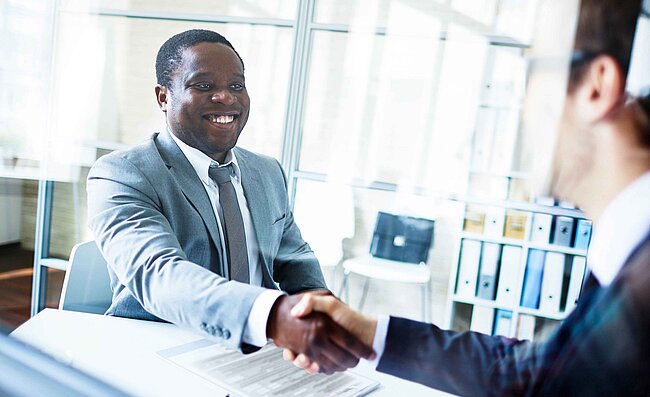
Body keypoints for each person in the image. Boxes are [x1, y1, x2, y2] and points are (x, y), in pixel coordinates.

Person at [286, 0, 650, 395]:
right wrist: (367, 332)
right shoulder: (623, 259)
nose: (522, 106)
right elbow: (530, 374)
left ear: (596, 86)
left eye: (532, 72)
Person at [86, 29, 373, 373]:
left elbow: (293, 257)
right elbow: (160, 275)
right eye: (203, 86)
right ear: (163, 97)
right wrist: (272, 316)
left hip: (261, 357)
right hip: (160, 354)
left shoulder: (267, 171)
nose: (225, 97)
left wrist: (321, 311)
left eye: (237, 86)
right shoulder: (122, 173)